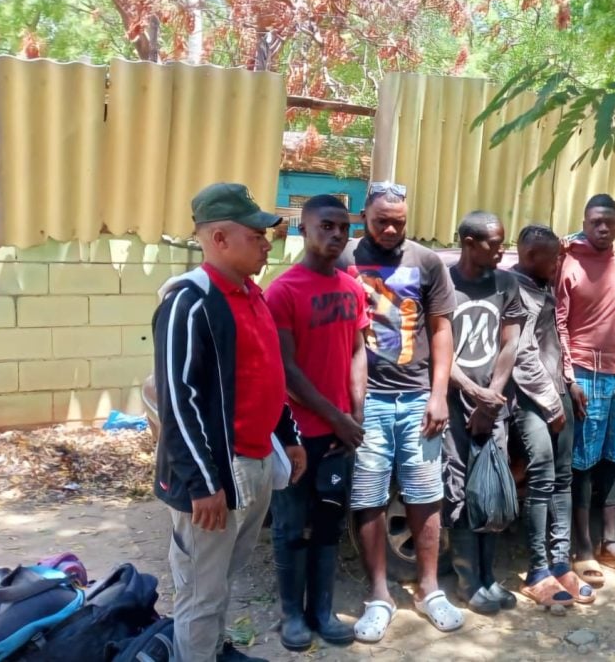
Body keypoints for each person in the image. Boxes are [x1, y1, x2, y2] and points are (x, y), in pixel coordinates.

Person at [151, 182, 306, 662]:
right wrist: (203, 484)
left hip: (255, 462)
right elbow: (178, 402)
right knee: (200, 590)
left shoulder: (252, 296)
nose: (267, 244)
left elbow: (268, 375)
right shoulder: (189, 302)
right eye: (256, 235)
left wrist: (289, 436)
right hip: (216, 473)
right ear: (219, 239)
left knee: (221, 579)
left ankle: (214, 651)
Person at [345, 182, 462, 639]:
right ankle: (379, 596)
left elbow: (441, 330)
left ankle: (429, 589)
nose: (391, 230)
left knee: (425, 494)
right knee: (369, 496)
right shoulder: (344, 258)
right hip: (366, 401)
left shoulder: (427, 262)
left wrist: (438, 394)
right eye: (381, 222)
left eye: (399, 222)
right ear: (364, 216)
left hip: (417, 398)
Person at [265, 195, 367, 650]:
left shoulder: (351, 288)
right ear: (303, 229)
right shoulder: (282, 291)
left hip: (339, 433)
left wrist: (355, 413)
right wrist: (337, 417)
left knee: (329, 522)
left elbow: (358, 351)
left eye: (344, 227)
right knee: (290, 526)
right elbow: (287, 370)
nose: (337, 235)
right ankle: (291, 615)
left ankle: (321, 612)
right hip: (296, 434)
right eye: (326, 226)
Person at [556, 194, 615, 583]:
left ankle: (609, 543)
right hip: (584, 374)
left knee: (614, 458)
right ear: (584, 222)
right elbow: (560, 325)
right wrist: (570, 379)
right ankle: (582, 547)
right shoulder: (569, 264)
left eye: (609, 221)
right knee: (583, 463)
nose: (603, 227)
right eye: (595, 221)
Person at [442, 211, 526, 614]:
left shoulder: (506, 284)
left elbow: (510, 344)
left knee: (491, 488)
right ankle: (467, 580)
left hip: (492, 406)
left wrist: (491, 398)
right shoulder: (444, 283)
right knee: (459, 491)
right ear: (469, 243)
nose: (501, 251)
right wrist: (473, 393)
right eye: (494, 244)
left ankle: (490, 576)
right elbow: (439, 350)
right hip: (453, 406)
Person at [510, 225, 592, 606]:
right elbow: (521, 353)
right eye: (553, 258)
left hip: (558, 393)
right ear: (530, 256)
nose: (559, 264)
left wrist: (569, 383)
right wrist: (551, 403)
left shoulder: (543, 285)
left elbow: (556, 341)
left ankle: (561, 562)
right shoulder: (513, 289)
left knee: (563, 478)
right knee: (542, 479)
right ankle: (537, 569)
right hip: (531, 400)